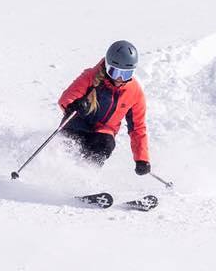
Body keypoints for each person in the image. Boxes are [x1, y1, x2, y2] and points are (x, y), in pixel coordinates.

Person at [57, 40, 151, 176]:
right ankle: (60, 175)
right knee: (72, 144)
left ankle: (84, 179)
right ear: (107, 66)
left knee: (105, 144)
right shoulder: (90, 76)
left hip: (103, 132)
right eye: (114, 72)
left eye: (126, 74)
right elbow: (66, 99)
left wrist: (142, 158)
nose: (119, 78)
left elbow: (138, 128)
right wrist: (73, 105)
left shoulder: (135, 92)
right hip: (78, 123)